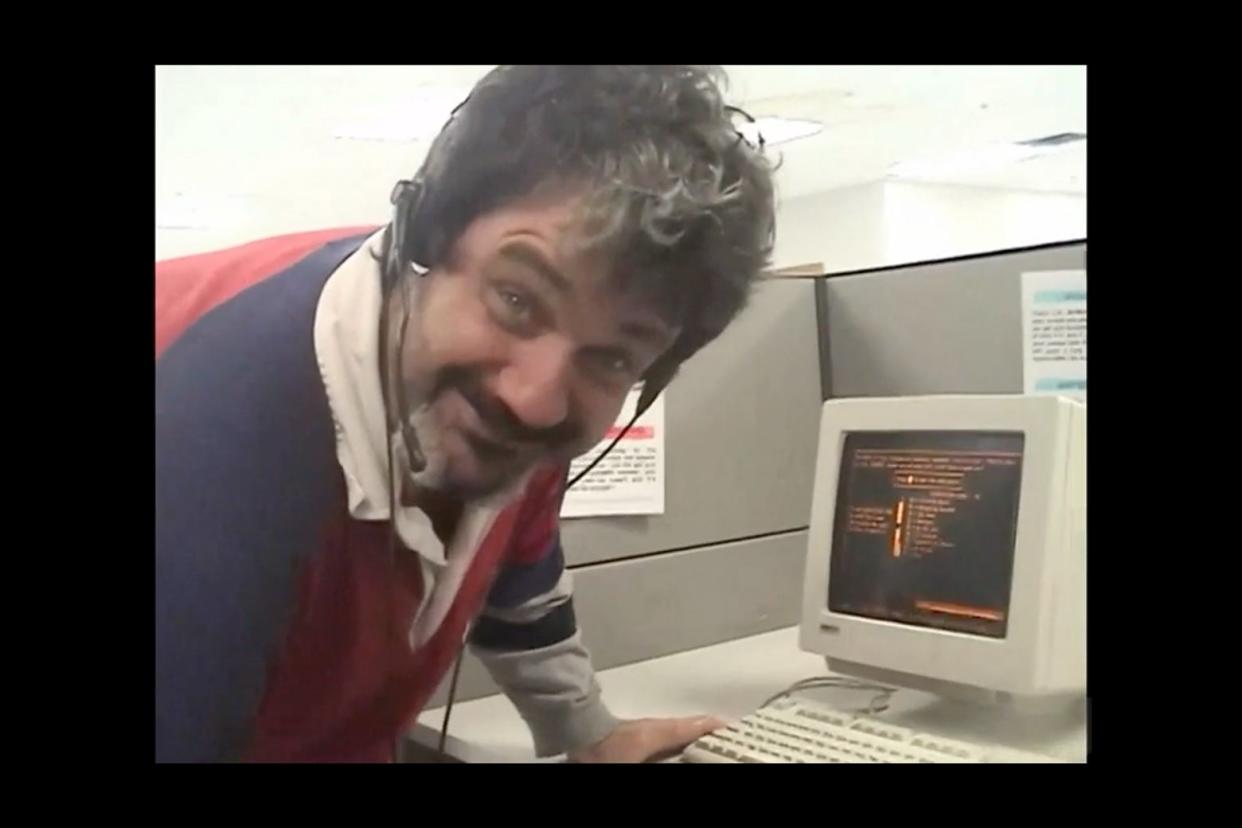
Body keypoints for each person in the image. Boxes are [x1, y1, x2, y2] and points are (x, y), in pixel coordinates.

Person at [155, 65, 776, 763]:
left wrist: (590, 734)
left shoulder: (510, 397)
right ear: (423, 237)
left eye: (611, 358)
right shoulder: (209, 452)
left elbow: (519, 571)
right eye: (517, 299)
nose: (535, 397)